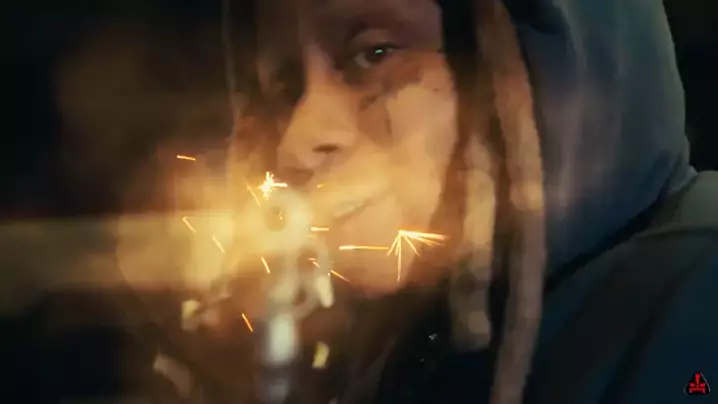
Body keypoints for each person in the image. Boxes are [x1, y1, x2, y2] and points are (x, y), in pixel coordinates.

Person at [3, 0, 717, 403]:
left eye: (373, 54)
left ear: (535, 65)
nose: (295, 142)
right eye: (285, 88)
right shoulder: (410, 340)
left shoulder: (695, 294)